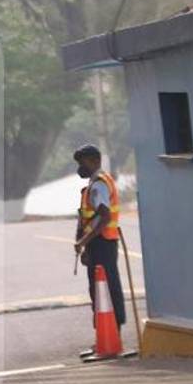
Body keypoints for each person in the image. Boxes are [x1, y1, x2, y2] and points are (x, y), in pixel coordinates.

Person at [72, 144, 126, 349]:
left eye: (82, 162)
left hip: (103, 243)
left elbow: (104, 216)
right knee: (101, 289)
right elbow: (91, 218)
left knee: (105, 289)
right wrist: (86, 247)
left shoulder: (98, 185)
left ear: (94, 161)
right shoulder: (96, 183)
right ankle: (107, 335)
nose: (80, 167)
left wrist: (83, 241)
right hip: (100, 244)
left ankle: (112, 336)